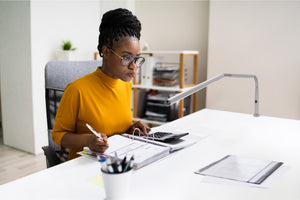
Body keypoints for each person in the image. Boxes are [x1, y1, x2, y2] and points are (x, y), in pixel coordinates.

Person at [52, 8, 150, 160]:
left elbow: (114, 128)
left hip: (117, 162)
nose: (134, 66)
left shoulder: (125, 84)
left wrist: (131, 128)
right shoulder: (77, 89)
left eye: (137, 58)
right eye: (126, 58)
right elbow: (58, 136)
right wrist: (88, 141)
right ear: (107, 51)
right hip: (84, 166)